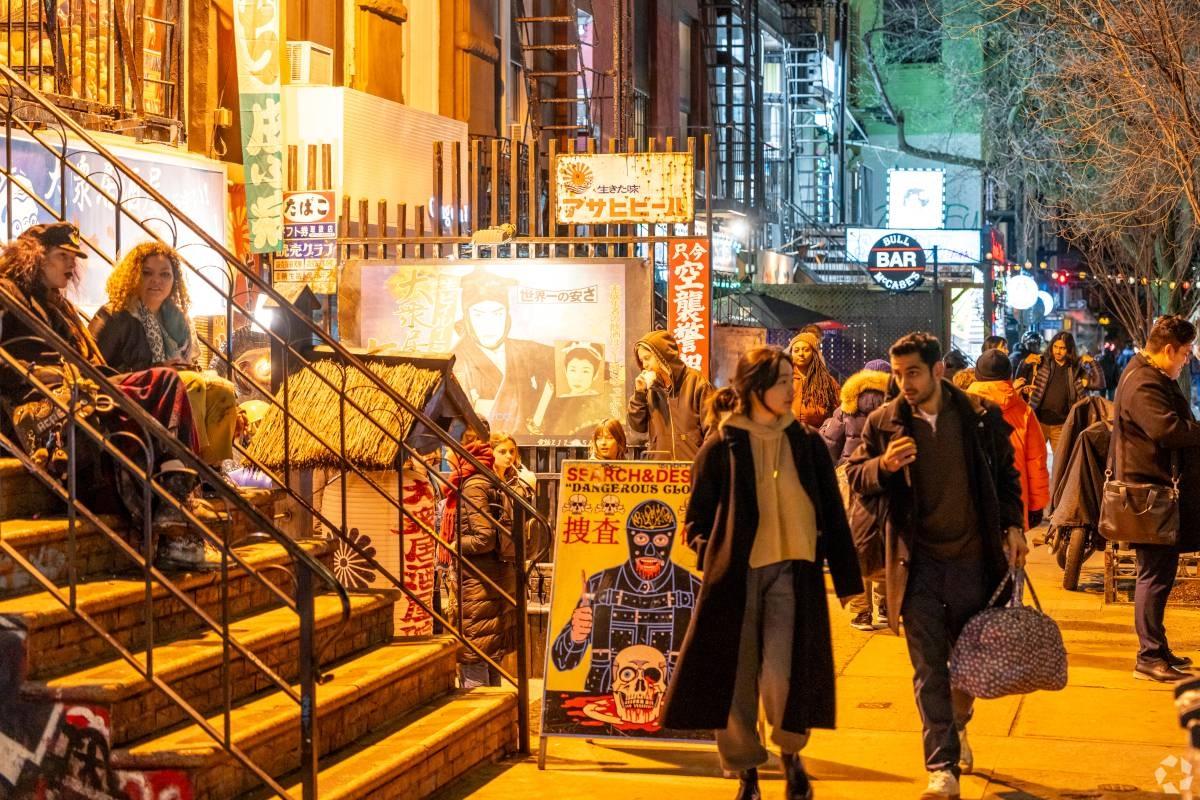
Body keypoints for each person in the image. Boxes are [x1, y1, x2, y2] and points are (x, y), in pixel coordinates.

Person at [663, 347, 862, 800]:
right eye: (782, 382)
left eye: (793, 380)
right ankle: (746, 771)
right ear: (755, 387)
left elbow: (832, 513)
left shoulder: (807, 443)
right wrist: (711, 553)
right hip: (735, 578)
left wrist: (850, 581)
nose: (792, 389)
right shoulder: (724, 444)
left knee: (784, 674)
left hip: (793, 574)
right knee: (734, 676)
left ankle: (791, 756)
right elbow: (696, 517)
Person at [846, 332, 1026, 800]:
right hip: (916, 565)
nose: (904, 382)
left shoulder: (978, 417)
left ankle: (959, 724)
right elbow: (855, 476)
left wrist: (1013, 526)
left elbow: (1007, 477)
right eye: (899, 372)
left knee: (967, 668)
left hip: (973, 562)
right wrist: (883, 465)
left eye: (914, 372)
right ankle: (941, 766)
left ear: (938, 371)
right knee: (929, 669)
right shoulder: (884, 422)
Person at [0, 224, 221, 570]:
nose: (71, 266)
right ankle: (175, 507)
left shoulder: (58, 305)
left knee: (171, 384)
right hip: (43, 401)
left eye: (73, 258)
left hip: (80, 388)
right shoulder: (8, 296)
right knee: (163, 383)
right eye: (62, 257)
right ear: (34, 259)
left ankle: (174, 506)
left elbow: (92, 363)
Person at [89, 242, 243, 469]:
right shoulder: (115, 315)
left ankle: (212, 469)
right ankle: (187, 466)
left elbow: (189, 363)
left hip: (172, 386)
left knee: (222, 389)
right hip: (136, 395)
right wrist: (158, 369)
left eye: (165, 274)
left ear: (174, 280)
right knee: (192, 384)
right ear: (133, 276)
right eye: (147, 273)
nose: (156, 280)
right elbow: (94, 368)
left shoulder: (178, 320)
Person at [1109, 315, 1200, 682]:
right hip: (1148, 495)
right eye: (1185, 353)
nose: (1186, 360)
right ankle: (1148, 656)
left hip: (1154, 492)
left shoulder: (1148, 375)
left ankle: (1158, 648)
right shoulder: (1145, 381)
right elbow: (1166, 429)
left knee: (1159, 573)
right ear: (1168, 349)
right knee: (1153, 576)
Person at [551, 498, 702, 692]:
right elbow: (563, 661)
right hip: (605, 703)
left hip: (671, 708)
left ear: (670, 540)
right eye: (641, 539)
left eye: (660, 540)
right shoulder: (600, 583)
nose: (650, 550)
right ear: (631, 539)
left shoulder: (692, 588)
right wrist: (575, 636)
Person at [820, 358, 891, 631]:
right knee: (883, 541)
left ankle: (861, 612)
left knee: (854, 544)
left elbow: (829, 445)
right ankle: (884, 607)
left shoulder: (845, 409)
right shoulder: (896, 408)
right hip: (884, 478)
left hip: (850, 479)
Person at [441, 436, 517, 688]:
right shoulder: (491, 483)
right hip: (492, 579)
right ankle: (498, 721)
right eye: (503, 451)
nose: (508, 456)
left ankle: (481, 716)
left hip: (478, 581)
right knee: (489, 653)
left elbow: (483, 539)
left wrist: (454, 545)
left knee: (475, 654)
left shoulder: (473, 486)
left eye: (511, 451)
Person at [451, 268, 555, 436]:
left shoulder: (524, 351)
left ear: (507, 317)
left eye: (497, 314)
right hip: (480, 448)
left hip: (520, 445)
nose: (489, 324)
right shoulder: (457, 360)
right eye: (478, 315)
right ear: (467, 318)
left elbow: (567, 360)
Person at [967, 349, 1050, 530]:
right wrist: (1036, 504)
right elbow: (1036, 460)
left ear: (978, 374)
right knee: (1011, 555)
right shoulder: (1023, 410)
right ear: (1008, 374)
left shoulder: (961, 406)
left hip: (971, 502)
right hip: (1014, 499)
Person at [628, 330, 714, 460]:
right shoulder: (650, 388)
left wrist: (705, 462)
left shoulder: (696, 382)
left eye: (647, 358)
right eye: (641, 360)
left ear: (662, 355)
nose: (644, 365)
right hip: (660, 471)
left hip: (691, 467)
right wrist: (639, 394)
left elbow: (713, 429)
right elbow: (638, 426)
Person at [1017, 331, 1103, 450]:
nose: (1057, 351)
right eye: (1055, 347)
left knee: (1061, 464)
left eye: (1062, 348)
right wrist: (1024, 364)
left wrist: (1093, 363)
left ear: (1069, 349)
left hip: (1062, 425)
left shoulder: (1076, 369)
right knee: (1035, 461)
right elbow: (1019, 381)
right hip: (1039, 422)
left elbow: (1099, 384)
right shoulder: (1041, 363)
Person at [788, 330, 840, 428]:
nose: (801, 354)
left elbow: (838, 410)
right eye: (796, 350)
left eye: (806, 349)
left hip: (817, 436)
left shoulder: (826, 381)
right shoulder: (784, 378)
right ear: (791, 353)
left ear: (814, 353)